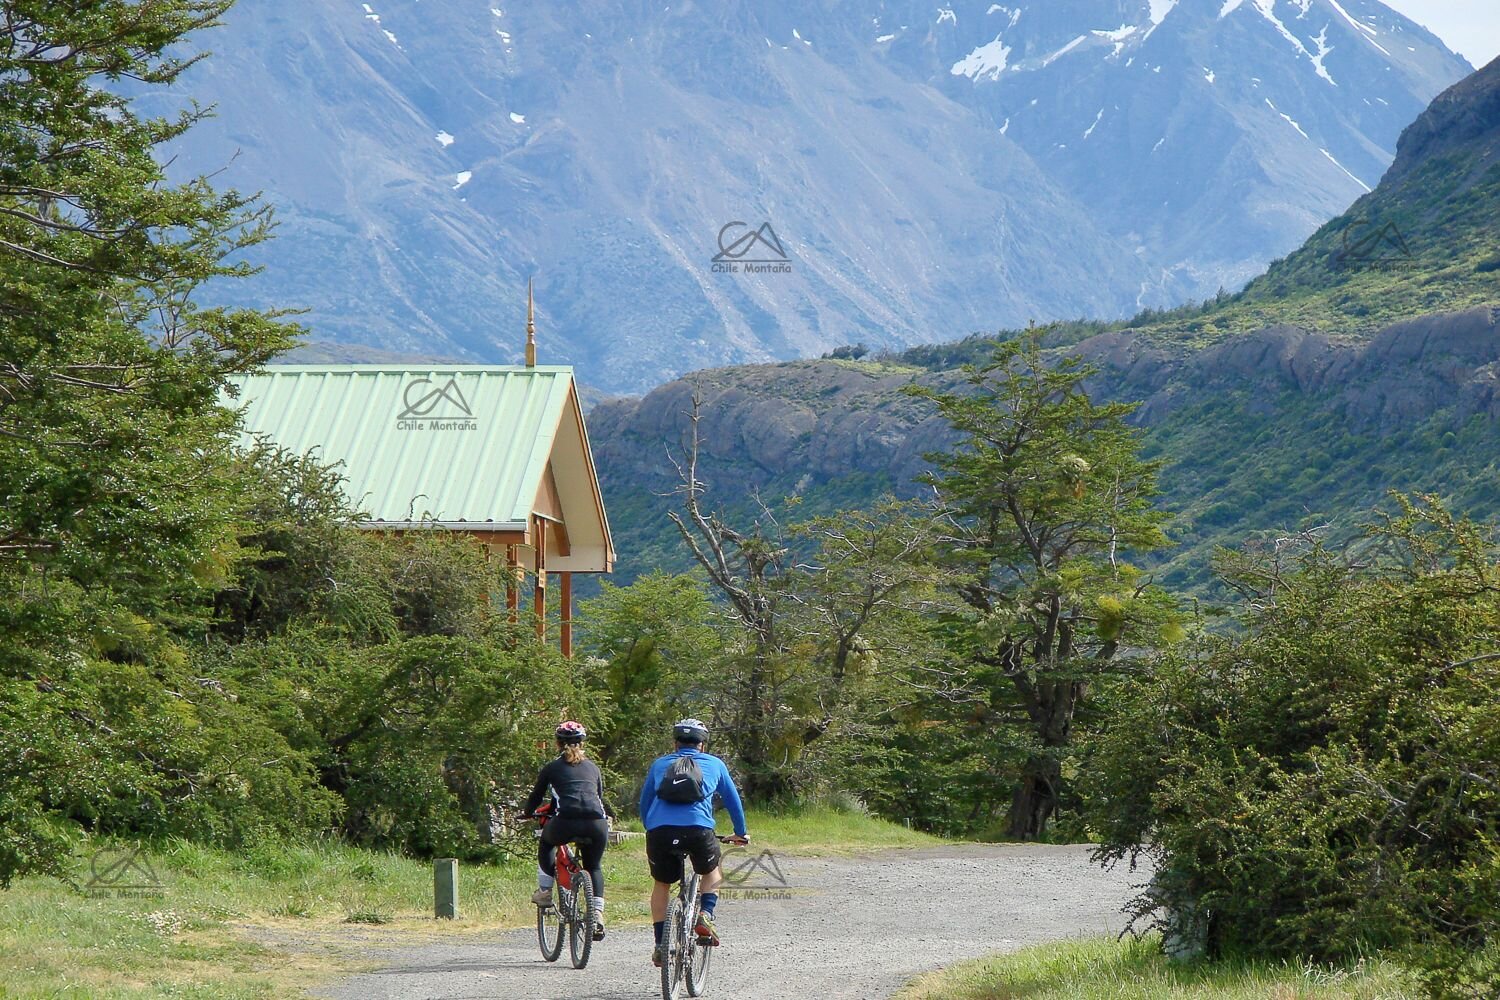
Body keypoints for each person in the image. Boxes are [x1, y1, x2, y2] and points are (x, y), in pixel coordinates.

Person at [639, 718, 749, 968]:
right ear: (702, 745)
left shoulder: (660, 764)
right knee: (712, 871)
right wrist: (741, 832)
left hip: (660, 832)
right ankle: (705, 914)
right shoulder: (715, 764)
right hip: (698, 830)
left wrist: (652, 828)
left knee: (662, 884)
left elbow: (644, 804)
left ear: (675, 743)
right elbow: (733, 802)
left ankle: (660, 944)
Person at [522, 721, 615, 941]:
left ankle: (545, 892)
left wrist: (528, 812)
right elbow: (596, 797)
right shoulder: (593, 768)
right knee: (594, 867)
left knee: (546, 842)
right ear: (583, 743)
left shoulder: (552, 768)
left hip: (566, 822)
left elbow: (537, 796)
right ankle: (598, 913)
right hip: (596, 824)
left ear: (557, 744)